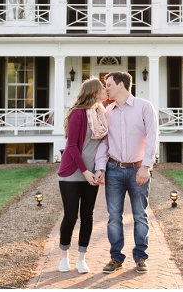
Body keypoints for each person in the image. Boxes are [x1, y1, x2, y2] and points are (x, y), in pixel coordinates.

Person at [94, 71, 158, 274]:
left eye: (109, 84)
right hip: (114, 170)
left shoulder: (144, 107)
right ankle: (116, 258)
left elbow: (152, 138)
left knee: (140, 215)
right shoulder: (108, 112)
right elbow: (104, 142)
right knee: (114, 216)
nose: (106, 89)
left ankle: (141, 257)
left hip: (138, 169)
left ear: (121, 85)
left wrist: (145, 167)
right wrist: (101, 167)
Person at [57, 78, 109, 273]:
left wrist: (98, 170)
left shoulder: (102, 115)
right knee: (70, 216)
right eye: (103, 88)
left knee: (87, 215)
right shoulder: (78, 115)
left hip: (92, 174)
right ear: (95, 92)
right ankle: (63, 256)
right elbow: (71, 147)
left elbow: (104, 146)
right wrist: (85, 171)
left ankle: (81, 259)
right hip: (72, 173)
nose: (106, 90)